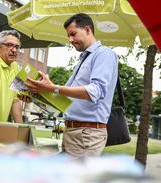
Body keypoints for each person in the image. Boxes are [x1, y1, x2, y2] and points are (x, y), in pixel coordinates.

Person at [26, 13, 118, 157]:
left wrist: (54, 88)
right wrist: (37, 94)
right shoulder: (84, 59)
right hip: (74, 132)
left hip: (87, 134)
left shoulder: (104, 54)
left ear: (87, 30)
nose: (70, 40)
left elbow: (96, 91)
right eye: (68, 36)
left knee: (77, 179)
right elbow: (65, 100)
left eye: (73, 34)